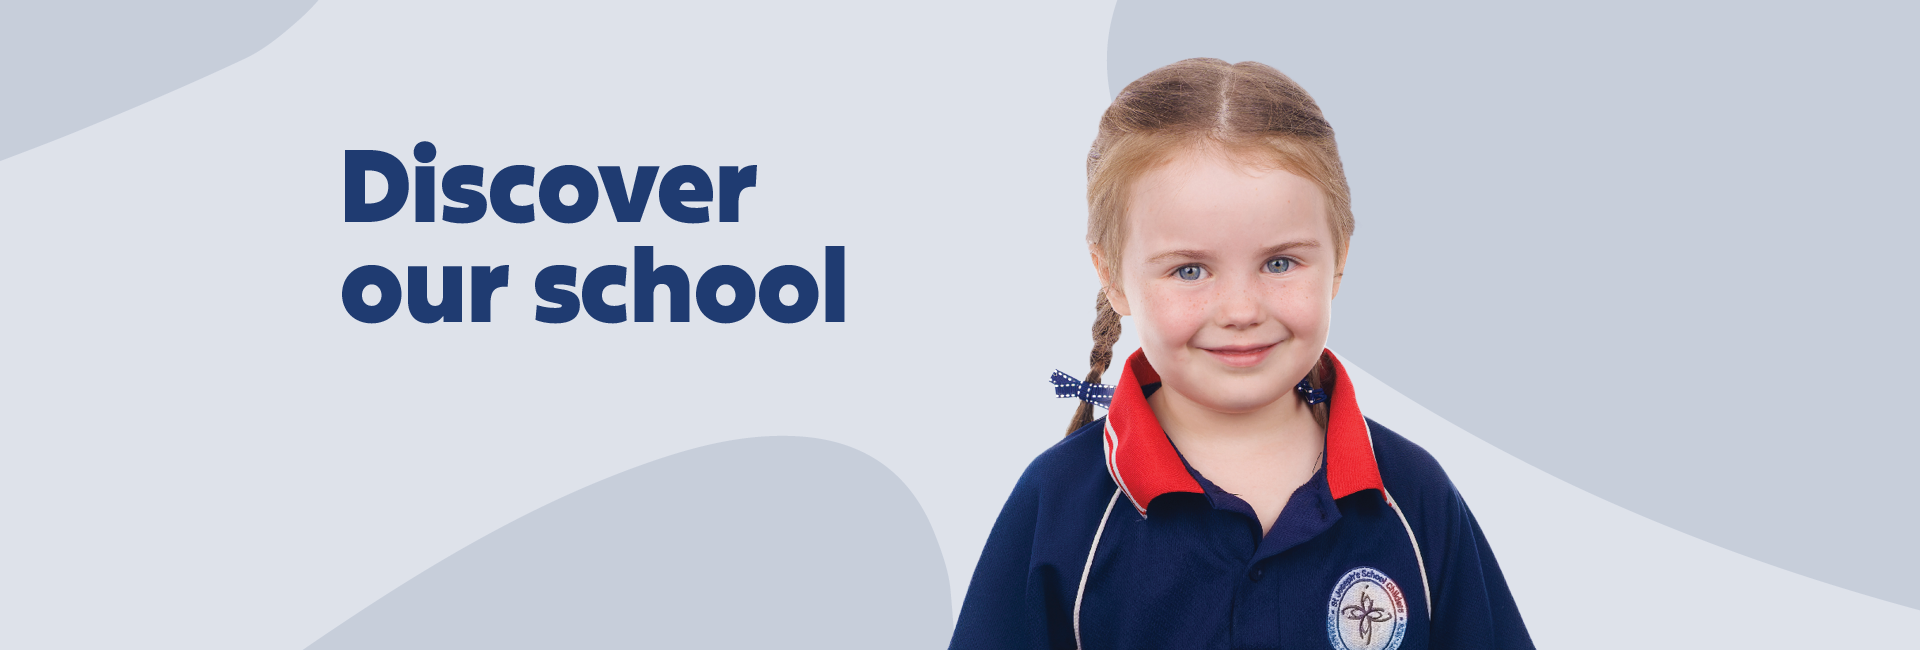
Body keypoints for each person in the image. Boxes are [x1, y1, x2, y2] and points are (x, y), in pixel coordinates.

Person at [949, 59, 1533, 650]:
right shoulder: (1061, 507)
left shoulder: (1412, 497)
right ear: (1111, 275)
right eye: (1190, 269)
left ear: (1341, 256)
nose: (1241, 309)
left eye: (1280, 263)